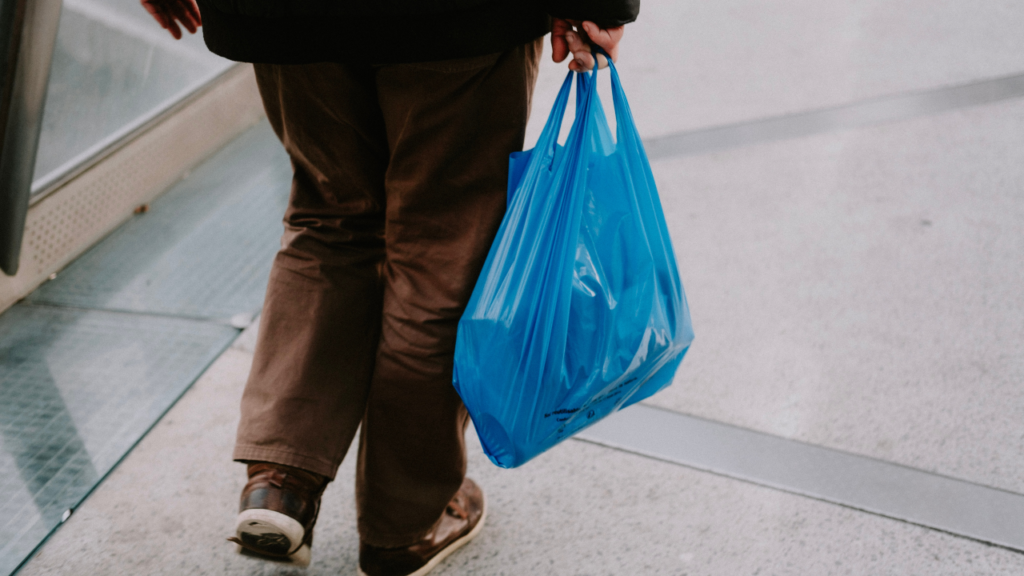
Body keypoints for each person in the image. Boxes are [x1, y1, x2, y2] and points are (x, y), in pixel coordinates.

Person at [141, 0, 635, 574]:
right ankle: (406, 524)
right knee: (441, 245)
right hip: (450, 22)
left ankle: (281, 480)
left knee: (329, 216)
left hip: (280, 15)